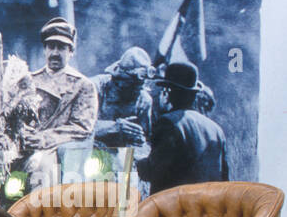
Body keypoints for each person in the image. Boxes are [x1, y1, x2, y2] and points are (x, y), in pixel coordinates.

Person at [137, 60, 229, 194]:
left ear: (167, 92)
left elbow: (152, 171)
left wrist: (136, 160)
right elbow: (224, 179)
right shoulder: (216, 130)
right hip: (208, 209)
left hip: (176, 209)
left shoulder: (168, 123)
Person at [21, 17, 98, 154]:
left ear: (71, 52)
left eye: (61, 48)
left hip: (61, 153)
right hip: (27, 149)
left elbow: (81, 128)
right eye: (51, 47)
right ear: (44, 50)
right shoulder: (28, 81)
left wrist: (45, 139)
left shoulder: (83, 85)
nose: (55, 53)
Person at [92, 45, 153, 158]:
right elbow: (79, 128)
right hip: (90, 153)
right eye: (130, 86)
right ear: (117, 79)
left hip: (122, 158)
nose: (135, 92)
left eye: (138, 87)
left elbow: (145, 141)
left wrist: (139, 143)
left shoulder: (144, 100)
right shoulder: (95, 88)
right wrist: (114, 127)